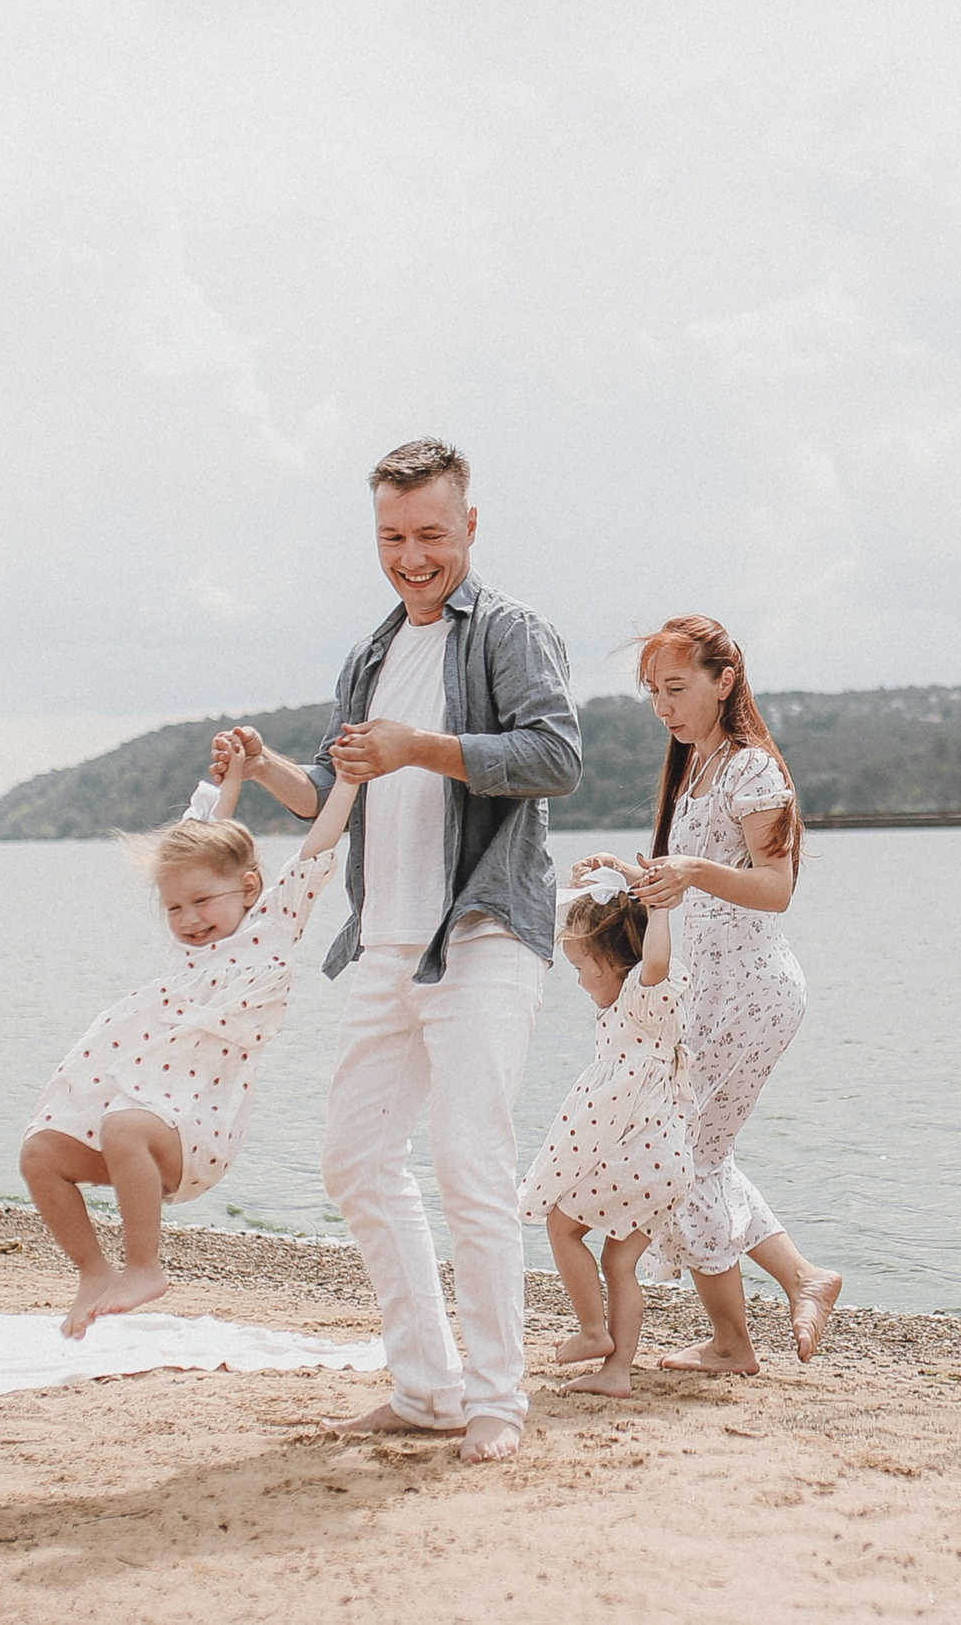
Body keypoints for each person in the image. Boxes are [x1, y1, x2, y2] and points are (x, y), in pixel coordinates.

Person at [222, 437, 580, 1464]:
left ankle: (496, 1400)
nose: (412, 555)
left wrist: (419, 747)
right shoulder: (369, 655)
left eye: (431, 533)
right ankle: (427, 1386)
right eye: (392, 536)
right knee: (355, 1159)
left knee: (472, 1162)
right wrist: (265, 766)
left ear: (470, 524)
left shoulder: (509, 631)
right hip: (383, 941)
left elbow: (557, 757)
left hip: (480, 933)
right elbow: (339, 799)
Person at [576, 614, 842, 1375]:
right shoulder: (695, 765)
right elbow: (694, 878)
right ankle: (801, 1279)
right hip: (709, 993)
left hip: (753, 994)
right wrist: (633, 876)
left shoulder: (753, 769)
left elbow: (777, 887)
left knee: (684, 1159)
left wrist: (688, 872)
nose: (664, 707)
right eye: (653, 693)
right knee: (700, 1157)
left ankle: (734, 1342)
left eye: (677, 688)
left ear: (724, 682)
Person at [21, 740, 359, 1338]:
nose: (189, 919)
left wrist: (353, 783)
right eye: (174, 906)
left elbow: (318, 847)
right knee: (41, 1153)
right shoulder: (189, 951)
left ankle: (144, 1268)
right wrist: (229, 773)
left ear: (250, 888)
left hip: (196, 1133)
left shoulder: (273, 928)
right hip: (142, 1125)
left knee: (124, 1124)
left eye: (203, 901)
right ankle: (94, 1273)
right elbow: (200, 832)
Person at [518, 873, 691, 1398]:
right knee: (619, 1262)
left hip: (648, 1158)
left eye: (581, 969)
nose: (578, 982)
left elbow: (655, 960)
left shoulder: (643, 1000)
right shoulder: (629, 1013)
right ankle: (617, 1374)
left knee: (562, 1226)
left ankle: (594, 1332)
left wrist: (660, 911)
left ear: (616, 964)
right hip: (664, 1164)